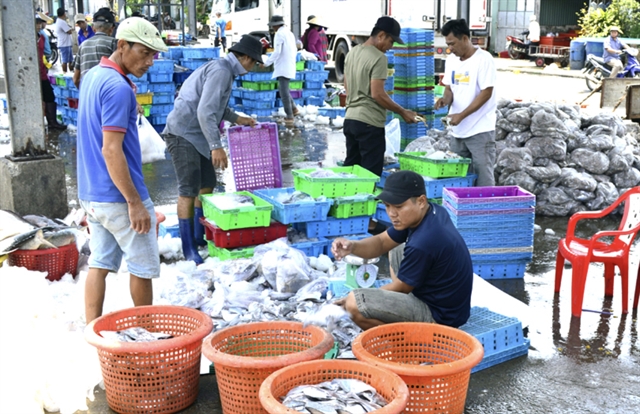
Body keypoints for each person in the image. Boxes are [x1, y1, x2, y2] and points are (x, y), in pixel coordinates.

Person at [76, 17, 168, 323]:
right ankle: (147, 336)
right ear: (122, 45)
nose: (150, 62)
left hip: (92, 194)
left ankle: (91, 329)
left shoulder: (94, 76)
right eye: (144, 53)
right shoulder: (118, 88)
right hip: (117, 196)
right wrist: (135, 202)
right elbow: (111, 149)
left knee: (99, 264)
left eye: (154, 55)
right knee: (142, 268)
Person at [332, 170, 473, 330]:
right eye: (387, 206)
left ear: (420, 201)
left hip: (441, 317)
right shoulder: (430, 212)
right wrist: (352, 246)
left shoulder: (424, 241)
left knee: (355, 304)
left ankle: (402, 343)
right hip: (443, 300)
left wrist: (363, 298)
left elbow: (402, 287)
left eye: (399, 206)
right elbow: (381, 242)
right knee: (396, 245)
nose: (392, 213)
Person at [162, 35, 261, 264]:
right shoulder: (221, 70)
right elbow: (206, 112)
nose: (254, 66)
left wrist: (238, 119)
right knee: (188, 189)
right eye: (253, 61)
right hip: (183, 133)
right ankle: (188, 248)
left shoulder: (226, 69)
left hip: (198, 134)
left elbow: (217, 107)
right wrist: (217, 147)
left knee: (207, 183)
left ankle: (199, 235)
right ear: (244, 57)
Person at [343, 16, 418, 177]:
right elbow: (377, 94)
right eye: (391, 41)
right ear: (381, 35)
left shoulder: (352, 53)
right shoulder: (379, 58)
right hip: (369, 124)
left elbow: (346, 87)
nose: (390, 47)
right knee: (370, 175)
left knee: (350, 172)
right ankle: (366, 201)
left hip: (350, 120)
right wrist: (403, 112)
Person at [434, 19, 496, 187]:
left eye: (452, 43)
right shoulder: (451, 60)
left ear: (465, 38)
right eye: (448, 44)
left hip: (480, 129)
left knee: (483, 175)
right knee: (459, 177)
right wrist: (444, 100)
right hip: (457, 131)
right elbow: (449, 88)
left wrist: (462, 115)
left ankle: (486, 209)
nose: (450, 48)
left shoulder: (484, 59)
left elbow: (486, 93)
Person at [263, 15, 299, 129]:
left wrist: (267, 63)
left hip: (283, 66)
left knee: (283, 92)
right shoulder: (289, 33)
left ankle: (289, 116)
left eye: (273, 25)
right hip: (288, 64)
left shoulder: (279, 34)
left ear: (276, 25)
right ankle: (294, 109)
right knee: (283, 89)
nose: (272, 28)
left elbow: (277, 52)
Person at [72, 8, 117, 88]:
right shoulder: (114, 43)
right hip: (108, 92)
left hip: (87, 94)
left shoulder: (83, 46)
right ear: (112, 29)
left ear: (93, 28)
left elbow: (75, 79)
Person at [36, 13, 66, 131]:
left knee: (49, 96)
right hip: (32, 74)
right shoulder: (28, 39)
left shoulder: (42, 37)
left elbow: (46, 53)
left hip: (42, 72)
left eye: (39, 23)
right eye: (37, 24)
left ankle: (52, 122)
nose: (39, 26)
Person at [54, 8, 74, 73]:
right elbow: (69, 31)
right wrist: (71, 29)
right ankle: (65, 73)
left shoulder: (60, 21)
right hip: (64, 44)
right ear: (64, 14)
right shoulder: (61, 22)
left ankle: (71, 71)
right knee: (65, 60)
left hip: (66, 43)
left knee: (70, 59)